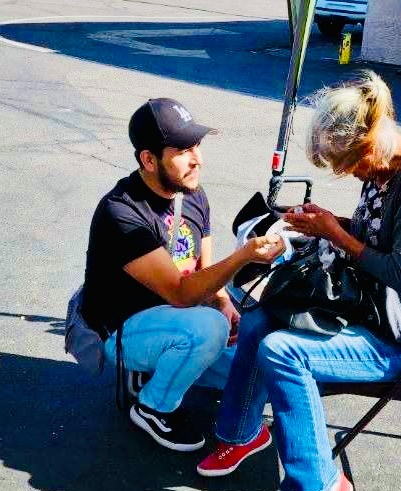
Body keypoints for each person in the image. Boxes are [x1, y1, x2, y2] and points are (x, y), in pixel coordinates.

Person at [196, 71, 401, 491]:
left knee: (281, 351)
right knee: (259, 318)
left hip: (399, 337)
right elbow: (375, 233)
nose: (352, 173)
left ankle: (322, 487)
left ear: (371, 139)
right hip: (368, 310)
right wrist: (326, 223)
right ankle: (241, 433)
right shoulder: (383, 165)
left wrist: (337, 235)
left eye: (352, 164)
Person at [81, 98, 285, 452]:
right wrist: (244, 255)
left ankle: (165, 368)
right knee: (209, 328)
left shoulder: (192, 194)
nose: (197, 159)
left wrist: (223, 302)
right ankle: (152, 407)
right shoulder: (122, 212)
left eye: (197, 146)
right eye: (183, 151)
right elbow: (180, 292)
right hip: (125, 331)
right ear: (149, 160)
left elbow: (205, 272)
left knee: (259, 366)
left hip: (178, 318)